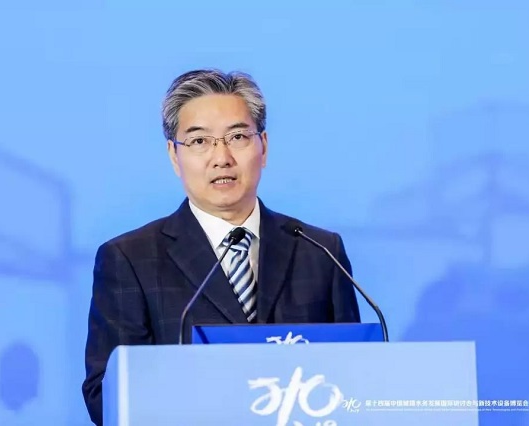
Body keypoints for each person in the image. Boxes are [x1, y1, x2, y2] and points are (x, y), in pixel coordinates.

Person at [82, 69, 361, 425]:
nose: (221, 157)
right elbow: (106, 396)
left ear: (263, 147)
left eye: (238, 137)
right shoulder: (130, 259)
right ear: (174, 155)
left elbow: (355, 376)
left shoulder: (319, 251)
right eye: (200, 141)